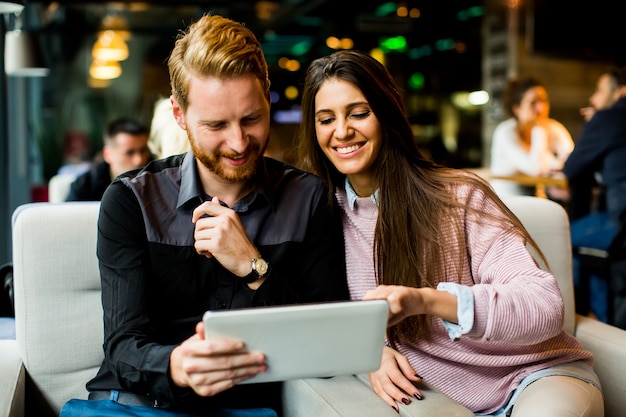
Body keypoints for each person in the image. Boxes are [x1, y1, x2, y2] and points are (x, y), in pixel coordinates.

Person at [60, 14, 348, 417]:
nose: (238, 142)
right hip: (133, 406)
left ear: (266, 96)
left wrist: (254, 268)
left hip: (245, 407)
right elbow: (123, 345)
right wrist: (178, 365)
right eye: (216, 125)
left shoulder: (308, 198)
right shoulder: (131, 200)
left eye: (251, 118)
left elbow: (330, 340)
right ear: (179, 115)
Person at [296, 50, 603, 416]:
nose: (342, 131)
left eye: (359, 113)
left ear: (388, 113)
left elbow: (544, 305)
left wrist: (426, 301)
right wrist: (368, 351)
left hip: (533, 378)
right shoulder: (323, 215)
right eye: (325, 119)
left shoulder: (458, 196)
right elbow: (313, 320)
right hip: (447, 398)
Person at [563, 66, 626, 323]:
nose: (593, 98)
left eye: (600, 91)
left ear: (621, 92)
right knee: (589, 251)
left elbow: (571, 168)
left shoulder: (607, 118)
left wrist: (593, 122)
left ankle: (590, 324)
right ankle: (604, 321)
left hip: (621, 225)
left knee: (563, 239)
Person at [489, 76, 574, 197]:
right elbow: (536, 169)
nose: (541, 108)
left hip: (536, 200)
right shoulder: (505, 132)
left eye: (544, 101)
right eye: (533, 103)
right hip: (505, 203)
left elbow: (573, 160)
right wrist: (538, 130)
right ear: (517, 109)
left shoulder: (552, 127)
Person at [65, 117, 152, 201]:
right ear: (108, 154)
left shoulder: (157, 176)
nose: (139, 160)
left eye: (143, 151)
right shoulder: (84, 187)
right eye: (129, 153)